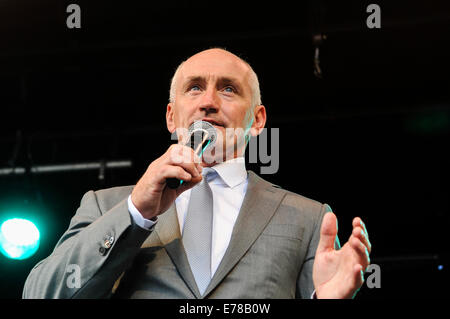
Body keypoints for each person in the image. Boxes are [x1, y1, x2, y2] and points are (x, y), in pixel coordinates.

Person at [22, 48, 371, 299]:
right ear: (172, 117)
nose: (209, 102)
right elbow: (40, 294)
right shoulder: (105, 205)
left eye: (228, 89)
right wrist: (136, 212)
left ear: (258, 120)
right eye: (195, 87)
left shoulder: (308, 218)